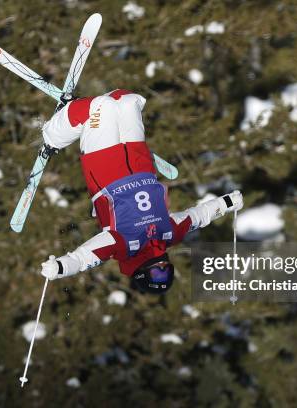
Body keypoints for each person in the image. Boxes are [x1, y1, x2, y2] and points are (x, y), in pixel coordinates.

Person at [39, 89, 243, 294]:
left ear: (141, 274)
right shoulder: (169, 234)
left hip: (105, 168)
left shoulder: (122, 245)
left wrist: (61, 267)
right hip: (140, 162)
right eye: (168, 272)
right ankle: (80, 110)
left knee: (102, 106)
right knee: (129, 101)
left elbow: (85, 258)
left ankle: (52, 135)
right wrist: (226, 203)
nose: (163, 268)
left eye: (158, 274)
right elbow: (198, 217)